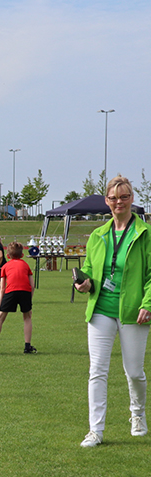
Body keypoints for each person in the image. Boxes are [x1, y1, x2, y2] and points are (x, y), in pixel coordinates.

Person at [74, 175, 151, 448]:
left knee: (134, 372)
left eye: (124, 196)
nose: (119, 202)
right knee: (97, 370)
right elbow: (90, 270)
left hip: (133, 312)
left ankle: (137, 414)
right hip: (101, 311)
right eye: (114, 197)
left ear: (132, 198)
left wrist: (148, 303)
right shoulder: (98, 235)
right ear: (107, 201)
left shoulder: (145, 233)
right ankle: (95, 431)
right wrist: (84, 283)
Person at [0, 242, 37, 355]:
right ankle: (27, 347)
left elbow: (2, 288)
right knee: (27, 317)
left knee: (0, 318)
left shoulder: (5, 266)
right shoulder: (26, 265)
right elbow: (32, 285)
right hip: (25, 291)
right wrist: (29, 300)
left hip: (11, 291)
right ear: (22, 255)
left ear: (8, 256)